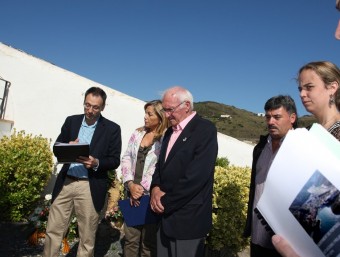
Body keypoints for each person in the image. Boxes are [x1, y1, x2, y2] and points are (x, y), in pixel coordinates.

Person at [43, 87, 122, 257]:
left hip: (90, 186)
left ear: (103, 107)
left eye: (95, 107)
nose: (90, 110)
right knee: (53, 230)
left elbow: (115, 160)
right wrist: (66, 147)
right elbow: (56, 147)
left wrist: (96, 163)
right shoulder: (71, 121)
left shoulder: (112, 129)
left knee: (87, 236)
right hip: (66, 182)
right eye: (87, 105)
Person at [150, 86, 218, 257]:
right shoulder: (169, 133)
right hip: (164, 218)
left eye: (169, 110)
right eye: (164, 110)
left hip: (188, 221)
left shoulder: (205, 130)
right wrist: (155, 188)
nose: (166, 115)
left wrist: (165, 202)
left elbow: (196, 177)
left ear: (186, 106)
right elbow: (160, 166)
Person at [244, 95, 298, 257]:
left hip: (288, 241)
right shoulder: (260, 148)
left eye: (277, 117)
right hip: (258, 232)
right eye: (268, 117)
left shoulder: (303, 148)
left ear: (292, 118)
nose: (271, 122)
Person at [121, 100, 169, 257]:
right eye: (145, 113)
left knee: (148, 242)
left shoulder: (166, 138)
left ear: (160, 117)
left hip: (150, 195)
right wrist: (130, 184)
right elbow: (127, 157)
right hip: (132, 192)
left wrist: (141, 188)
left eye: (150, 114)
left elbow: (161, 167)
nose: (145, 117)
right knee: (130, 239)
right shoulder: (137, 133)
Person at [297, 61, 340, 141]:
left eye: (309, 87)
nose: (302, 94)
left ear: (332, 88)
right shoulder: (308, 132)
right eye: (300, 89)